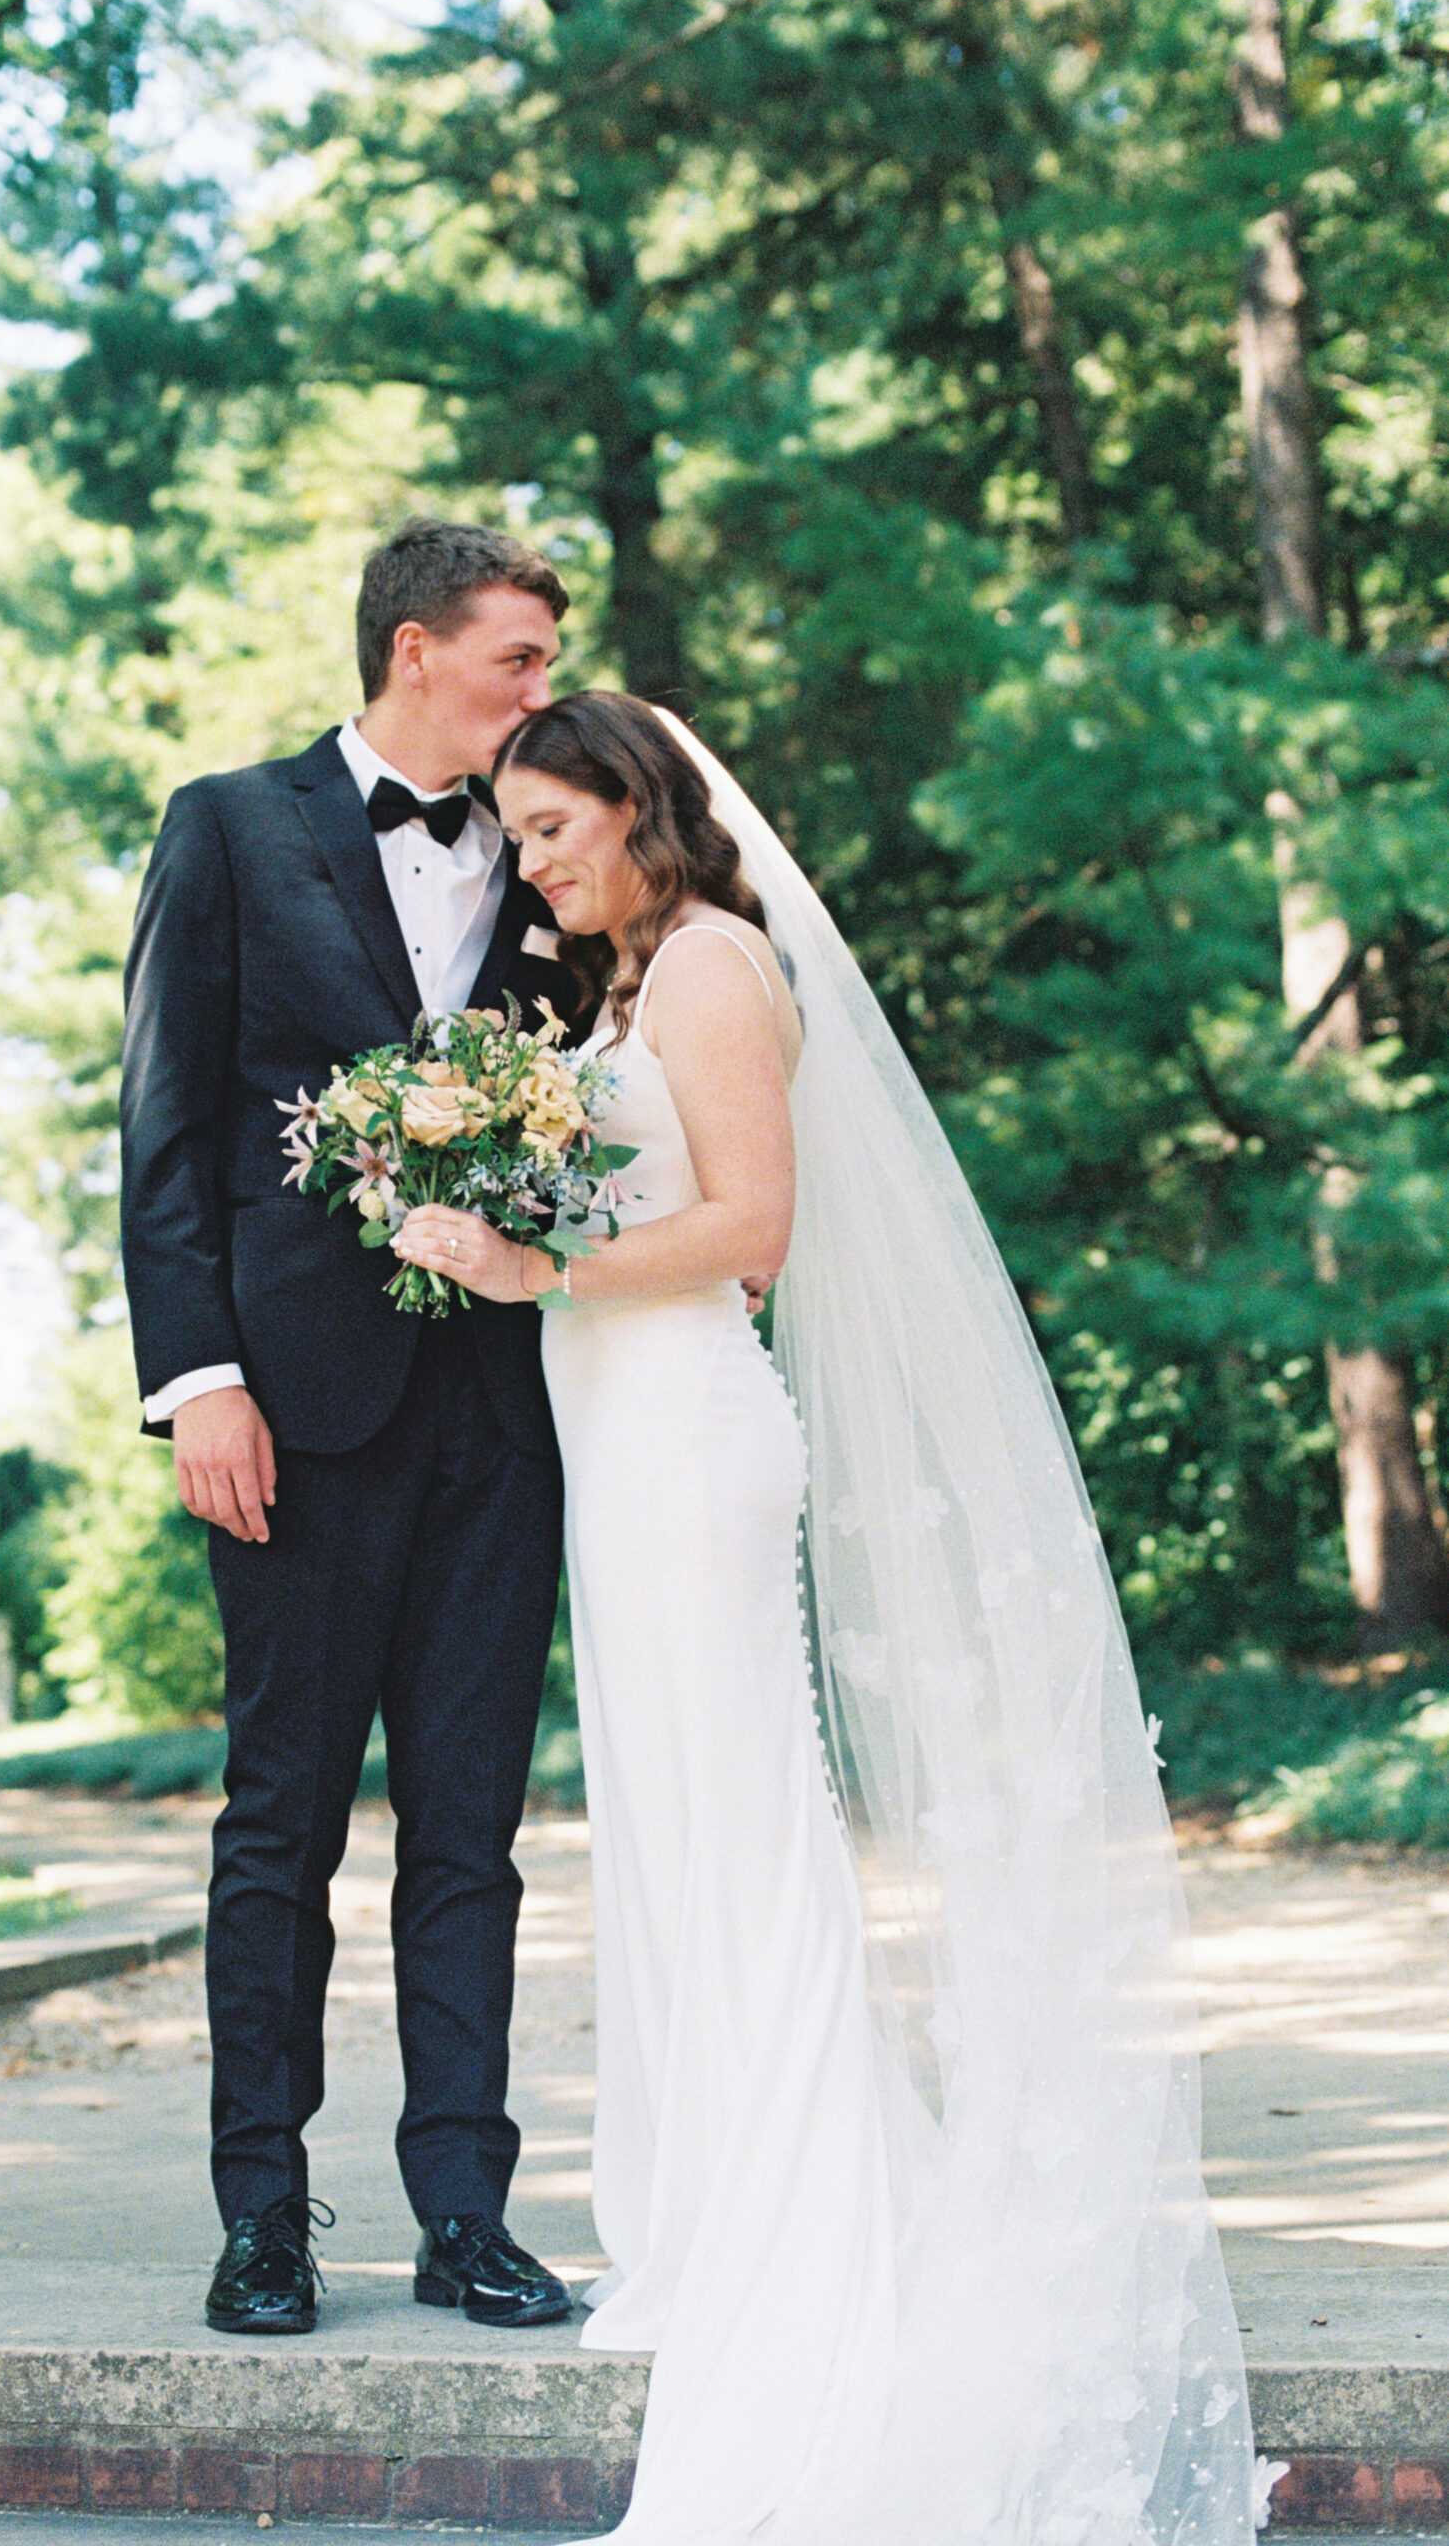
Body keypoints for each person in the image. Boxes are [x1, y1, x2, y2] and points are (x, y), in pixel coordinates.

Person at [394, 691, 1269, 2544]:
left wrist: (531, 1263)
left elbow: (754, 1229)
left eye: (550, 829)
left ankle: (797, 2231)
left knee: (740, 1827)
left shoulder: (713, 964)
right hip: (619, 1441)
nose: (528, 867)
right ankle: (718, 2207)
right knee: (676, 1831)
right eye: (515, 836)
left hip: (688, 1436)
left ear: (636, 807)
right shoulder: (630, 982)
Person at [119, 518, 579, 2337]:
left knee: (470, 1833)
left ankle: (466, 2211)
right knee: (280, 1827)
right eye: (516, 658)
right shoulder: (229, 827)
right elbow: (165, 1128)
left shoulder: (555, 848)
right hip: (291, 1415)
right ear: (413, 648)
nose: (539, 692)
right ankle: (264, 2218)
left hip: (506, 1416)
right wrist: (198, 1383)